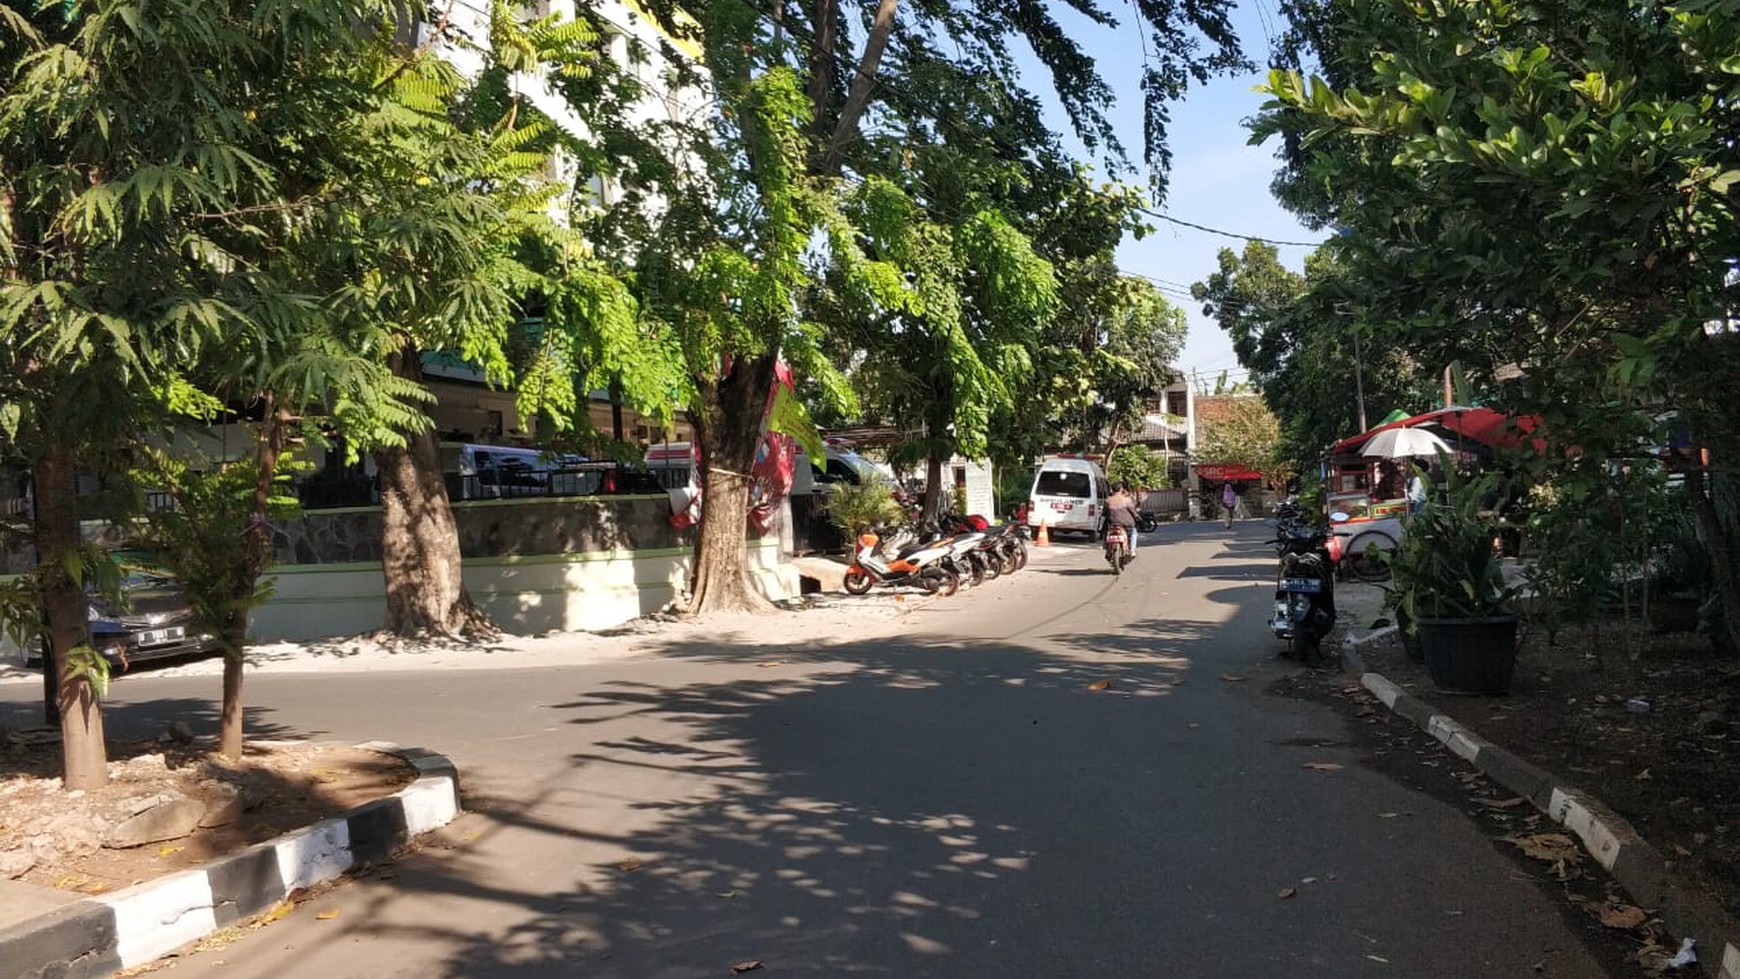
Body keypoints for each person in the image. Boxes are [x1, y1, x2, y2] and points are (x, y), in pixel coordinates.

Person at [1106, 483, 1141, 554]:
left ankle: (1107, 550)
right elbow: (1133, 511)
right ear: (1121, 489)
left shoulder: (1108, 500)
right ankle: (1132, 550)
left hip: (1112, 523)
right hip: (1127, 524)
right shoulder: (1126, 500)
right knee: (1134, 532)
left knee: (1106, 533)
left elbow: (1104, 512)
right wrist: (1137, 517)